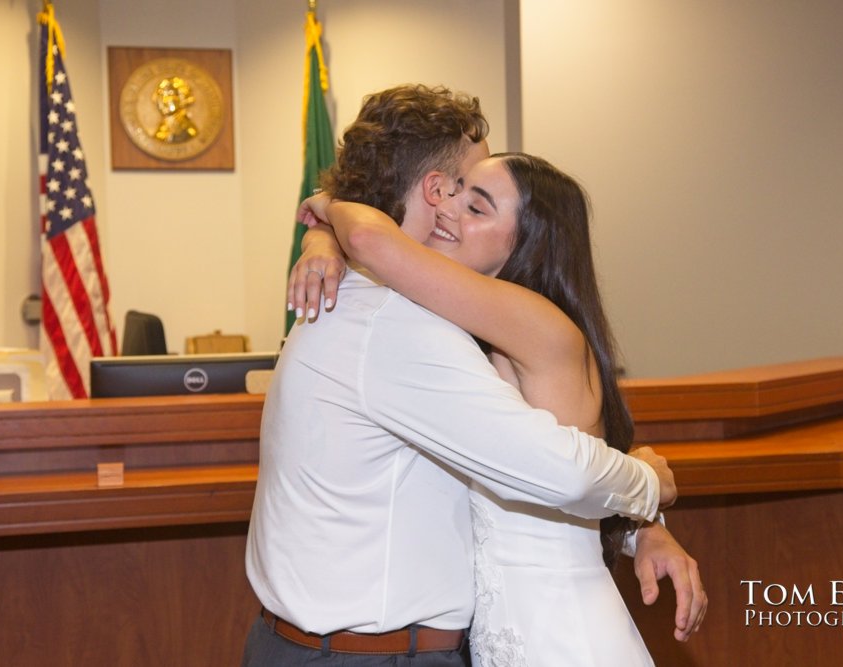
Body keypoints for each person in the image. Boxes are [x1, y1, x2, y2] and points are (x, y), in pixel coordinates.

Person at [242, 84, 690, 667]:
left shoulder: (420, 314)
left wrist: (642, 520)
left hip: (531, 632)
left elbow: (554, 465)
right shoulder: (401, 324)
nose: (456, 207)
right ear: (434, 189)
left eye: (479, 205)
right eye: (462, 189)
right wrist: (646, 487)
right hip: (372, 656)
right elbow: (561, 470)